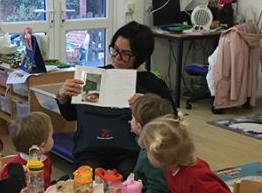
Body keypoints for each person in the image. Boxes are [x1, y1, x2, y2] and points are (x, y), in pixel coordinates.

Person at [56, 21, 176, 179]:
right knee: (89, 178)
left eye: (126, 54)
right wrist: (62, 97)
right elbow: (71, 115)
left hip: (131, 151)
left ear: (140, 56)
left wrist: (150, 107)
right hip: (91, 150)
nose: (117, 57)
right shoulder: (96, 75)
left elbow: (171, 123)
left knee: (130, 178)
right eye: (115, 50)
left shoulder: (153, 84)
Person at [139, 115, 242, 193]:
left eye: (147, 150)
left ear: (162, 157)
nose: (145, 153)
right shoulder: (172, 168)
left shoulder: (196, 177)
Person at [130, 93, 174, 193]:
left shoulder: (151, 154)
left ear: (139, 126)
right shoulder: (165, 143)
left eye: (132, 118)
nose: (130, 121)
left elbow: (159, 190)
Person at [2, 112, 54, 193]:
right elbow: (5, 192)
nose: (53, 139)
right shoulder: (14, 167)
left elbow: (46, 185)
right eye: (51, 136)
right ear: (42, 146)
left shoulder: (45, 159)